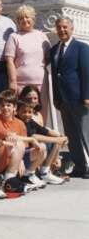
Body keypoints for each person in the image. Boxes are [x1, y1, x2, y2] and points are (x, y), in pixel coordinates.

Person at [50, 16, 89, 179]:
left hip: (79, 97)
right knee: (71, 135)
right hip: (63, 100)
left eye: (65, 27)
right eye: (59, 27)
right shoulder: (54, 49)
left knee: (86, 133)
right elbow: (54, 74)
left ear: (72, 29)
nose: (62, 30)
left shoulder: (81, 47)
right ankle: (80, 166)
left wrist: (87, 95)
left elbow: (86, 73)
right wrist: (56, 97)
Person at [0, 90, 47, 191]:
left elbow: (23, 148)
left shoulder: (19, 123)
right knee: (15, 142)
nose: (5, 108)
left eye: (8, 105)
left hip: (11, 159)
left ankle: (23, 177)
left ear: (14, 107)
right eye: (2, 105)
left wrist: (20, 162)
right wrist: (31, 139)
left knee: (41, 149)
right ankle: (5, 180)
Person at [4, 4, 50, 118]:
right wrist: (13, 81)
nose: (24, 20)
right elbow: (9, 60)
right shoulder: (14, 37)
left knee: (40, 114)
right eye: (21, 18)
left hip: (41, 83)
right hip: (21, 83)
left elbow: (48, 58)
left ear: (33, 19)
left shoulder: (42, 36)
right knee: (22, 114)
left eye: (27, 17)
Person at [15, 98, 67, 185]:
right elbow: (34, 137)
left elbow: (45, 130)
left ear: (33, 112)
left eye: (29, 112)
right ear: (17, 110)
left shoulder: (30, 121)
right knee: (42, 145)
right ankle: (28, 175)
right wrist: (57, 139)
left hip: (30, 153)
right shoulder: (18, 121)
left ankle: (44, 172)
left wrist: (61, 137)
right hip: (21, 155)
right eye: (24, 112)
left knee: (54, 139)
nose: (27, 115)